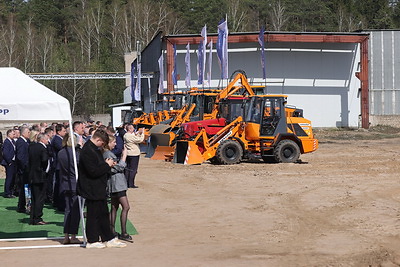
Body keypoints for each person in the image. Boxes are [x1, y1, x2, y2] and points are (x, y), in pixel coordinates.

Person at [77, 129, 126, 249]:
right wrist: (106, 165)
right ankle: (92, 240)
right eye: (102, 143)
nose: (103, 145)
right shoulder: (88, 150)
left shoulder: (93, 149)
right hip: (91, 187)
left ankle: (108, 238)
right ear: (98, 140)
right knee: (93, 214)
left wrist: (107, 164)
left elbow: (97, 166)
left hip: (98, 187)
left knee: (103, 213)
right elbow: (93, 171)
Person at [103, 135, 132, 242]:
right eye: (114, 142)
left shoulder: (106, 153)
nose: (115, 144)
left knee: (114, 208)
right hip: (117, 184)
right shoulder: (108, 154)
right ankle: (123, 232)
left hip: (113, 185)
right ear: (108, 143)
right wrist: (124, 156)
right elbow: (117, 168)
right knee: (126, 207)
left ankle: (112, 230)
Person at [58, 133, 82, 245]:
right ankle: (73, 236)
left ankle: (66, 236)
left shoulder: (60, 153)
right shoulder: (75, 153)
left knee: (68, 210)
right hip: (74, 184)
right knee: (75, 211)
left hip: (65, 184)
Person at [28, 133, 50, 225]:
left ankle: (33, 217)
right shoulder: (42, 148)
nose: (48, 141)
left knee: (34, 197)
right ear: (43, 140)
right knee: (40, 198)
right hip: (40, 175)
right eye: (47, 139)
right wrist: (44, 170)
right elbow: (44, 160)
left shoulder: (31, 147)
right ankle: (38, 218)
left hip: (32, 175)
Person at [16, 126, 31, 213]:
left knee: (24, 188)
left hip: (25, 169)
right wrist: (25, 167)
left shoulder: (25, 141)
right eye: (28, 132)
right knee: (23, 188)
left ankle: (22, 205)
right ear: (23, 133)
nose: (29, 134)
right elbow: (20, 157)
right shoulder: (21, 142)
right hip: (23, 170)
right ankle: (21, 206)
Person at [1, 129, 16, 198]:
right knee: (9, 177)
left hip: (12, 161)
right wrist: (9, 161)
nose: (14, 135)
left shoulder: (12, 141)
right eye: (13, 134)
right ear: (9, 134)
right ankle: (7, 192)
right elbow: (5, 153)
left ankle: (10, 191)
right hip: (9, 162)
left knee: (12, 177)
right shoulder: (7, 142)